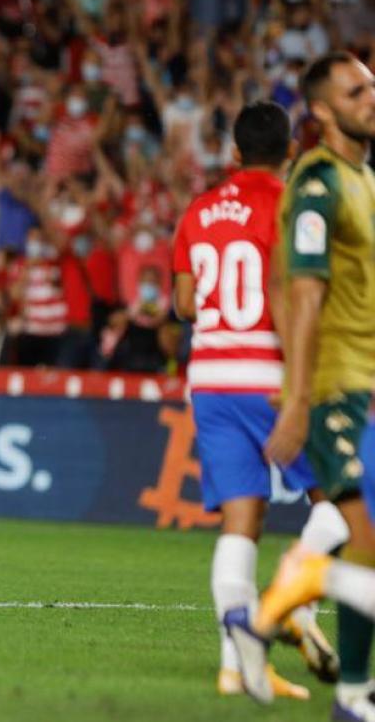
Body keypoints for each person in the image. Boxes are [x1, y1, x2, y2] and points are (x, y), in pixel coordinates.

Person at [172, 100, 346, 702]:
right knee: (344, 501)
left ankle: (235, 667)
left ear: (234, 153)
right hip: (270, 374)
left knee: (240, 522)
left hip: (210, 377)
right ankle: (289, 602)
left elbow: (185, 304)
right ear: (291, 151)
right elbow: (287, 292)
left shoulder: (198, 210)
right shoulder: (292, 205)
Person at [223, 55, 375, 721]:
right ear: (320, 111)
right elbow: (301, 292)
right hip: (337, 388)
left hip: (364, 383)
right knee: (364, 542)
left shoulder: (362, 178)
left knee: (365, 542)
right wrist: (299, 395)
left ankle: (348, 690)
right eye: (355, 91)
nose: (370, 98)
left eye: (372, 87)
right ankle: (303, 585)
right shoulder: (318, 182)